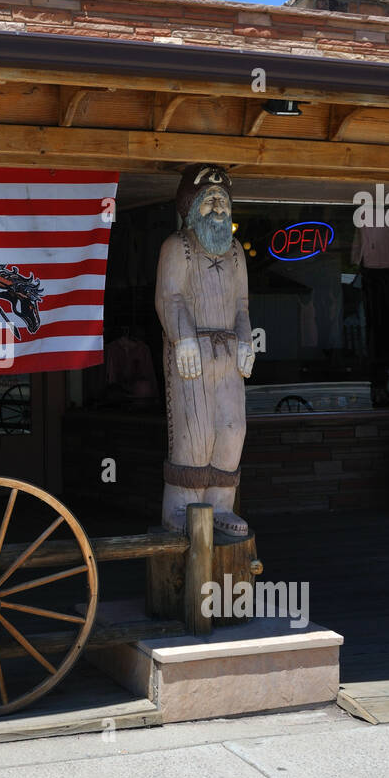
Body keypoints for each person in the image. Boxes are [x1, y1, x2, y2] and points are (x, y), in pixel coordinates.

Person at [155, 164, 255, 538]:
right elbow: (170, 297)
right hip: (191, 352)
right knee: (194, 432)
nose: (217, 207)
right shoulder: (176, 247)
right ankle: (181, 506)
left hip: (228, 350)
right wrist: (182, 339)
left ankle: (221, 505)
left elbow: (242, 304)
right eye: (209, 199)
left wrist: (245, 341)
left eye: (222, 200)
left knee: (232, 430)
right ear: (191, 206)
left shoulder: (235, 254)